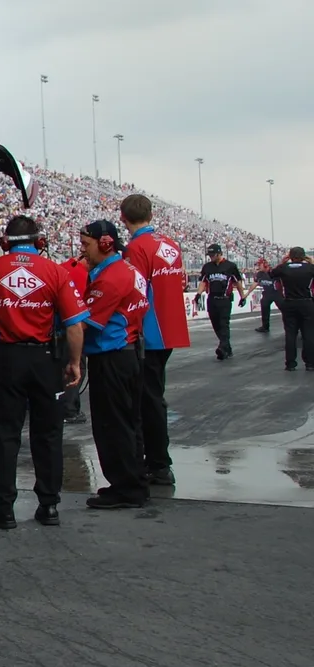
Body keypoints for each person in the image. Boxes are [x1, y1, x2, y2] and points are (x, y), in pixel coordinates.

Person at [0, 216, 87, 528]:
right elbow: (75, 326)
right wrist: (73, 363)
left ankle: (4, 510)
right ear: (40, 242)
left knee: (6, 433)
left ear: (4, 242)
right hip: (45, 358)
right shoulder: (55, 271)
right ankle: (49, 506)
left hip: (8, 357)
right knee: (48, 433)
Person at [119, 194, 190, 487]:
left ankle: (159, 463)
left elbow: (134, 291)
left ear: (123, 218)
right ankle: (155, 459)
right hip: (171, 328)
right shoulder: (170, 244)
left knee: (148, 401)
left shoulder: (136, 248)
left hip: (150, 332)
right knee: (153, 396)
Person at [78, 220, 149, 510]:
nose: (83, 252)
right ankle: (132, 481)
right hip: (129, 352)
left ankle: (127, 488)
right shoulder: (130, 270)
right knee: (129, 423)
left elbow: (84, 323)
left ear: (105, 244)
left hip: (111, 356)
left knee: (112, 425)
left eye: (86, 245)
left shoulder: (109, 278)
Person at [197, 244, 246, 360]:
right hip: (212, 299)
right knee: (216, 324)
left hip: (225, 299)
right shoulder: (207, 267)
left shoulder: (230, 266)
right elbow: (203, 282)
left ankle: (222, 347)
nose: (211, 257)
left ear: (219, 254)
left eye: (213, 255)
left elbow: (238, 282)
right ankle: (227, 348)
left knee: (224, 324)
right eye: (209, 255)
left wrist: (242, 296)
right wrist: (198, 294)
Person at [270, 247, 314, 371]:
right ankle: (310, 363)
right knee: (309, 334)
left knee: (290, 334)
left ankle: (290, 363)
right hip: (306, 302)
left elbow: (271, 274)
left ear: (290, 256)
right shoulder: (310, 268)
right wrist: (310, 262)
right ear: (304, 256)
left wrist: (283, 262)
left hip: (289, 303)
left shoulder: (283, 268)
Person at [59, 254, 90, 424]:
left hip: (54, 327)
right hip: (71, 327)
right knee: (76, 367)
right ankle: (69, 410)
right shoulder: (84, 275)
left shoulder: (62, 267)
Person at [253, 258, 280, 334]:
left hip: (277, 293)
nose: (258, 266)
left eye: (259, 265)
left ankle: (292, 326)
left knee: (285, 310)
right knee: (264, 306)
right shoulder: (259, 274)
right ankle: (265, 326)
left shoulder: (274, 272)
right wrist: (246, 294)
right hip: (267, 294)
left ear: (264, 265)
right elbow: (254, 283)